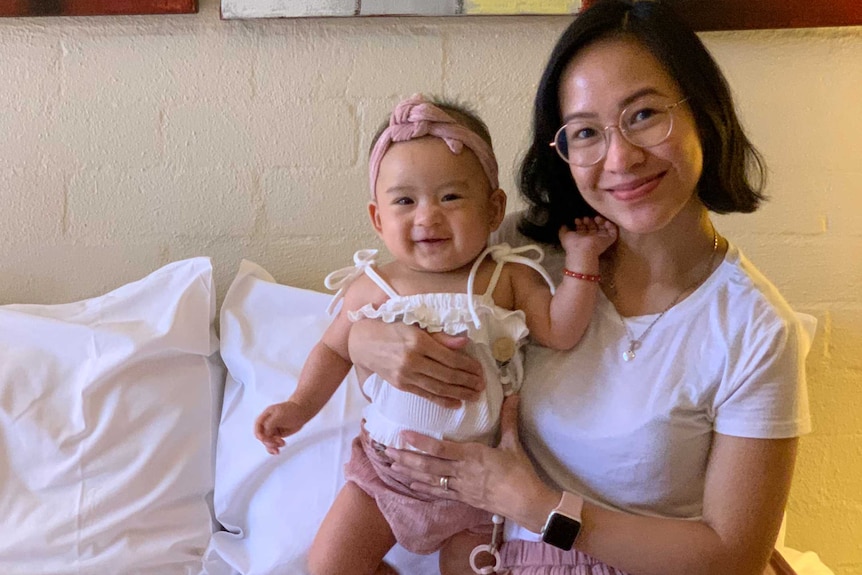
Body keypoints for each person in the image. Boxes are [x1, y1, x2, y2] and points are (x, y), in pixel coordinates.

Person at [346, 2, 813, 575]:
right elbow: (382, 290)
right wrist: (363, 341)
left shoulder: (756, 328)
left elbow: (732, 554)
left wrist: (537, 506)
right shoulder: (519, 254)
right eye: (586, 131)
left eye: (644, 115)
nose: (620, 157)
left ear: (704, 114)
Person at [254, 94, 618, 575]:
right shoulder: (373, 287)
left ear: (493, 210)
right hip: (384, 474)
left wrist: (582, 260)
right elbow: (331, 348)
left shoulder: (503, 278)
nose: (427, 217)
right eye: (405, 201)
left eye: (450, 197)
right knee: (329, 565)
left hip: (476, 481)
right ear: (378, 219)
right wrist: (299, 405)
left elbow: (561, 331)